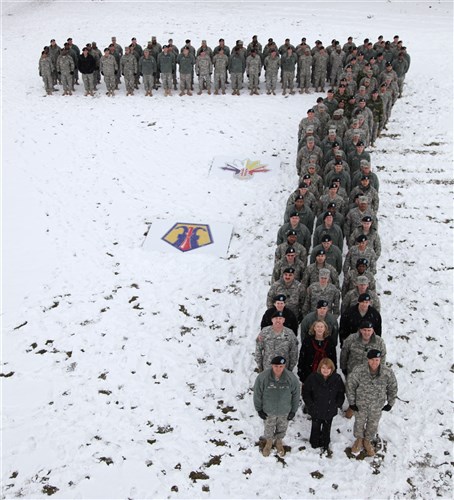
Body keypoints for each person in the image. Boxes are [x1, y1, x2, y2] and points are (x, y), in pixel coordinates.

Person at [347, 349, 398, 456]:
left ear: (380, 360)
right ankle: (359, 439)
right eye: (372, 360)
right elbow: (350, 386)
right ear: (367, 360)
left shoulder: (387, 372)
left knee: (373, 424)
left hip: (377, 405)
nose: (374, 362)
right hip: (361, 404)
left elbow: (392, 388)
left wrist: (390, 403)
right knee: (359, 423)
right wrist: (352, 402)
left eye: (377, 360)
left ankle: (367, 441)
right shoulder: (359, 371)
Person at [253, 356, 300, 457]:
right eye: (276, 366)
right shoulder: (263, 377)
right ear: (272, 366)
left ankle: (278, 441)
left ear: (284, 366)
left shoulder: (291, 378)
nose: (278, 368)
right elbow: (257, 393)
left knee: (282, 428)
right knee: (268, 427)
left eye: (281, 366)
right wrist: (259, 409)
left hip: (284, 410)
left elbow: (296, 395)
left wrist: (293, 410)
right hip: (268, 410)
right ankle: (269, 442)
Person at [303, 357, 345, 451]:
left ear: (332, 369)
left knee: (327, 428)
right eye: (323, 368)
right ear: (319, 368)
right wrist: (310, 404)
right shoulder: (313, 377)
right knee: (315, 427)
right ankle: (314, 444)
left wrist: (337, 404)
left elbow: (341, 392)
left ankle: (325, 443)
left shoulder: (337, 378)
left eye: (328, 368)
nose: (325, 370)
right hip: (316, 409)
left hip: (329, 409)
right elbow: (306, 392)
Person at [297, 320, 337, 385]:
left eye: (322, 327)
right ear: (314, 328)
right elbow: (302, 358)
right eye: (317, 326)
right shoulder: (307, 340)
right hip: (309, 372)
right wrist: (301, 373)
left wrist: (333, 372)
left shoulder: (330, 341)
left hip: (326, 373)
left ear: (325, 328)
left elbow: (333, 358)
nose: (319, 329)